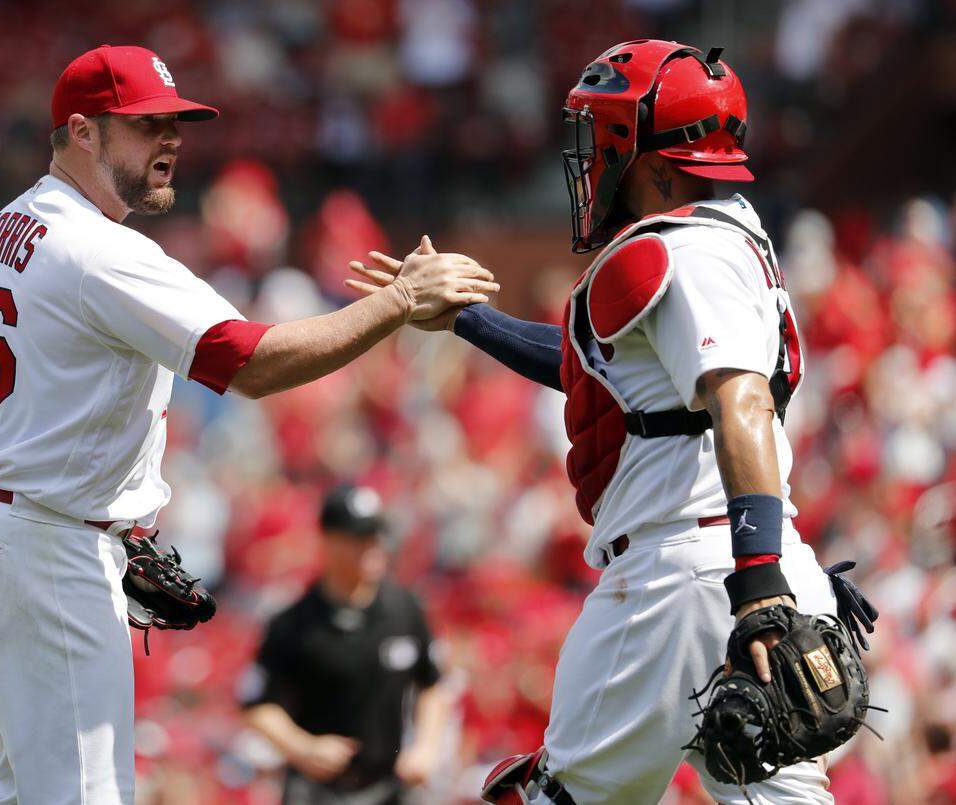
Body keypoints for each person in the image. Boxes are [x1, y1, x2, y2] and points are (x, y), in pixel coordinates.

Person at [0, 44, 496, 805]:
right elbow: (248, 363)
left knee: (28, 787)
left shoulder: (10, 225)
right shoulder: (99, 248)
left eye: (175, 124)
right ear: (82, 132)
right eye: (144, 124)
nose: (170, 139)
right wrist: (396, 303)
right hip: (41, 545)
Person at [349, 39, 849, 803]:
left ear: (652, 160)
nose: (590, 158)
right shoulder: (727, 238)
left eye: (605, 137)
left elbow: (740, 400)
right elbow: (601, 375)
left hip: (685, 578)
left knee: (556, 795)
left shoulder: (678, 251)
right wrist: (468, 321)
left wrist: (758, 586)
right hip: (736, 561)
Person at [241, 484, 448, 805]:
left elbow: (431, 684)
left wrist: (425, 747)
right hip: (316, 790)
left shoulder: (404, 609)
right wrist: (303, 747)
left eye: (376, 536)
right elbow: (257, 703)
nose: (373, 546)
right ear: (327, 541)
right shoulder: (293, 622)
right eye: (359, 537)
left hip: (391, 786)